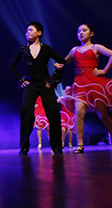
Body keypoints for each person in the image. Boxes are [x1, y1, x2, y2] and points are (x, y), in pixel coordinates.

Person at [56, 24, 112, 154]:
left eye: (84, 30)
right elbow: (63, 62)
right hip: (79, 84)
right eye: (79, 31)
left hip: (95, 84)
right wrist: (58, 65)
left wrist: (105, 70)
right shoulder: (74, 50)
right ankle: (80, 144)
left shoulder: (95, 47)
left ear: (91, 33)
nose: (81, 33)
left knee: (102, 114)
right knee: (79, 113)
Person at [10, 22, 66, 156]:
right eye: (26, 31)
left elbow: (62, 62)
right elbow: (12, 64)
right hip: (31, 85)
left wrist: (53, 79)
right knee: (26, 111)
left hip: (45, 84)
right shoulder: (23, 49)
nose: (27, 32)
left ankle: (56, 146)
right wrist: (21, 79)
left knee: (53, 112)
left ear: (39, 32)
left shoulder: (46, 49)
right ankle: (24, 146)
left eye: (30, 30)